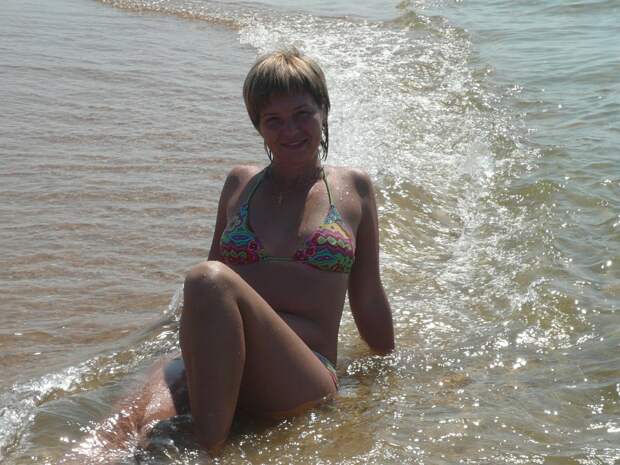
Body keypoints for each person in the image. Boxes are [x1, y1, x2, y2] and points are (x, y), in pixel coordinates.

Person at [82, 47, 394, 458]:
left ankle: (207, 448)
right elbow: (207, 303)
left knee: (206, 278)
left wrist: (389, 375)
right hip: (224, 362)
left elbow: (368, 297)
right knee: (118, 434)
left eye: (302, 114)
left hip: (303, 374)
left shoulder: (354, 188)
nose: (290, 130)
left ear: (324, 110)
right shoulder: (239, 184)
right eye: (273, 120)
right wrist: (174, 348)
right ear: (257, 125)